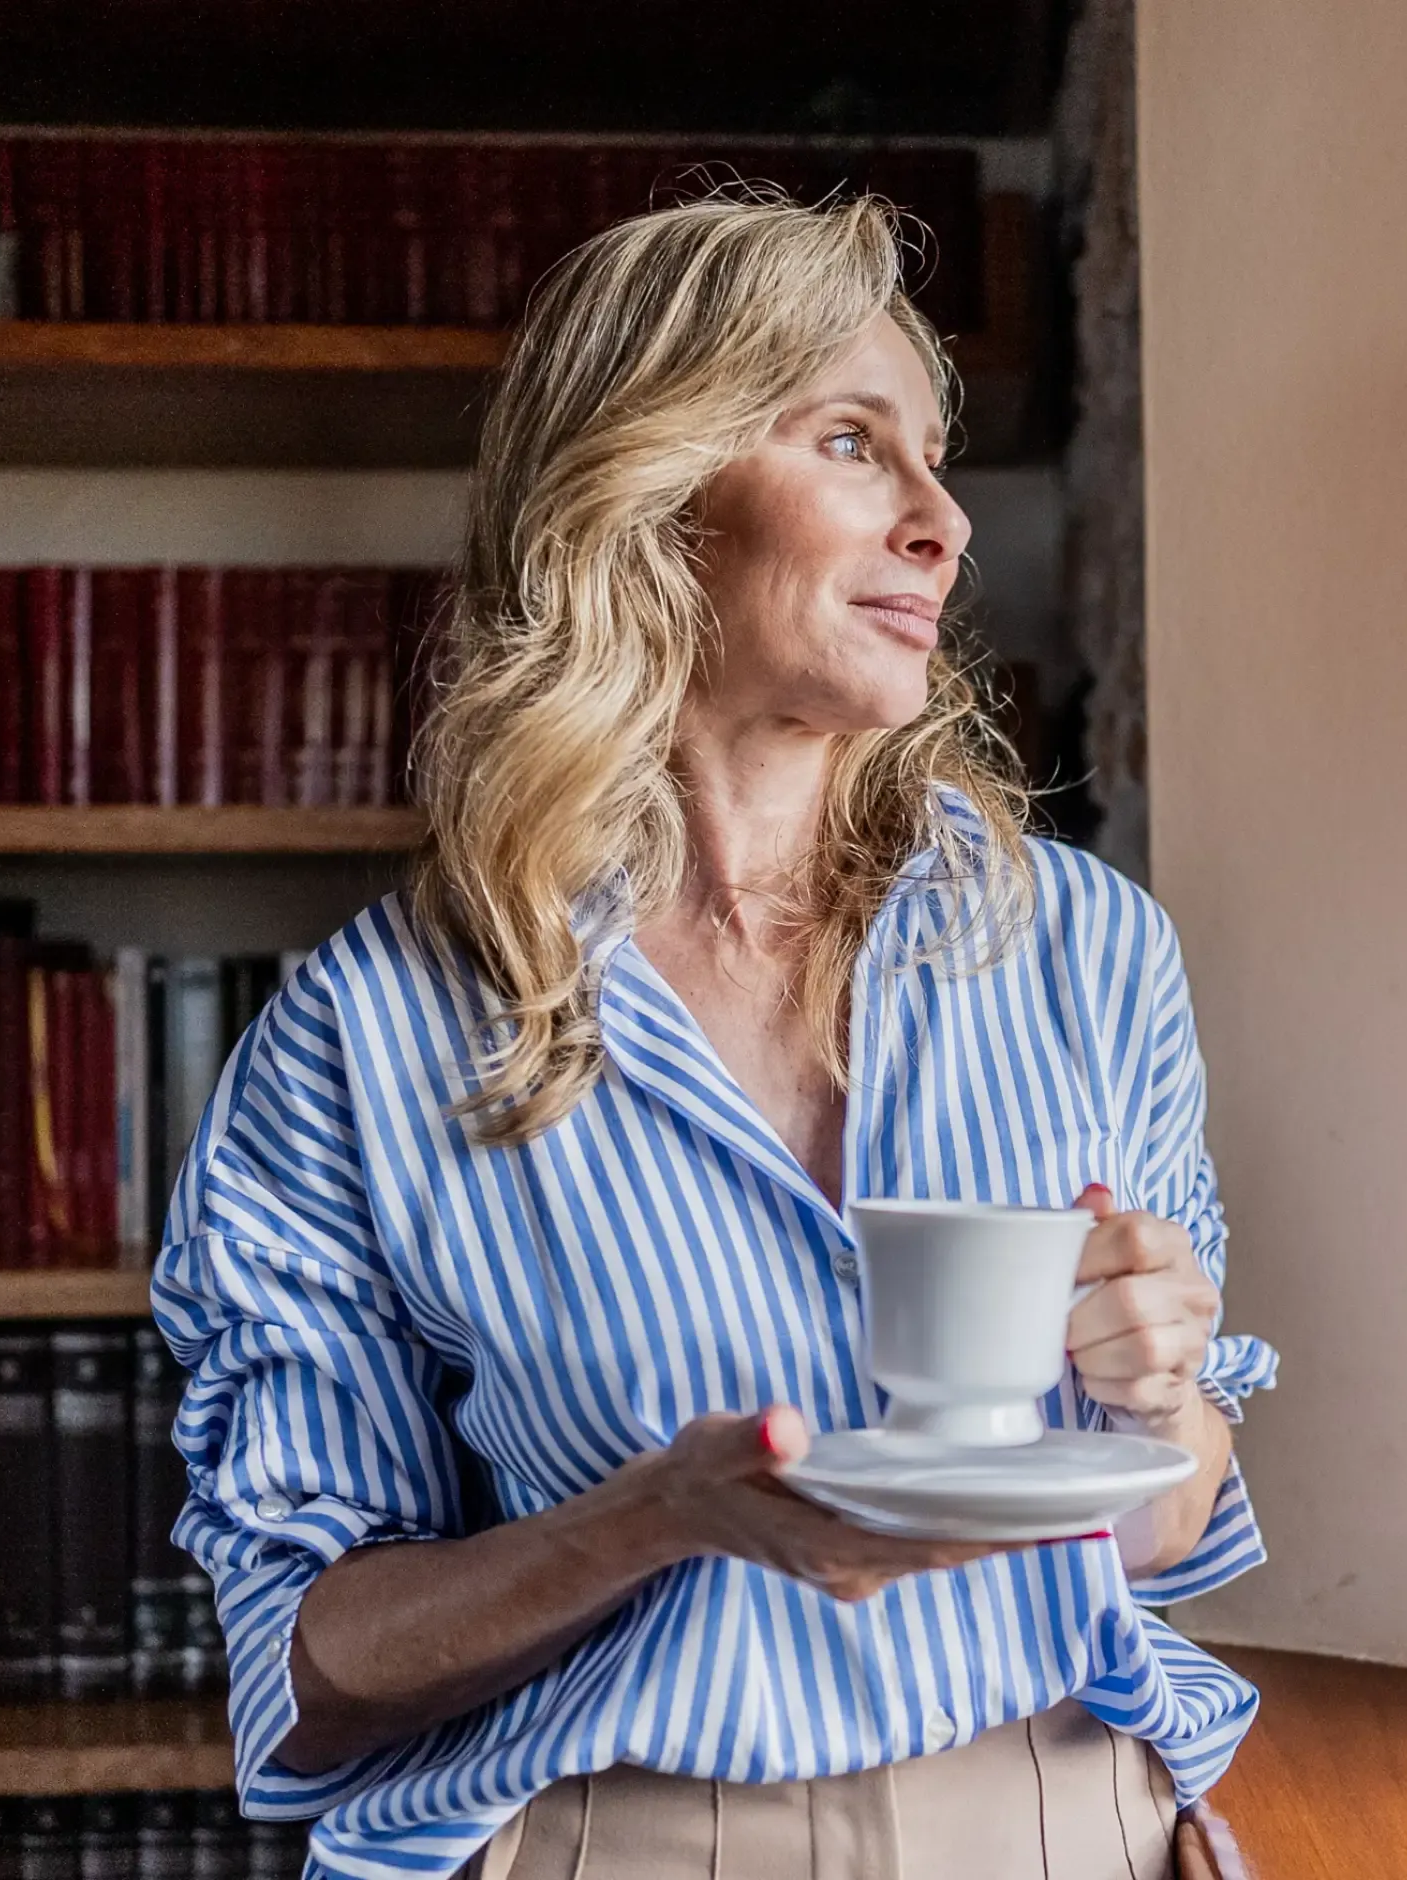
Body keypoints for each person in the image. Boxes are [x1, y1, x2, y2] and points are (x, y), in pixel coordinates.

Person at [153, 189, 1277, 1880]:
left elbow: (1166, 1532)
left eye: (936, 454)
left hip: (1068, 1821)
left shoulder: (1085, 948)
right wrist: (654, 1517)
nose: (943, 522)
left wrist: (1158, 1403)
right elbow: (311, 1677)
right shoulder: (364, 1038)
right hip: (613, 1844)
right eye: (852, 441)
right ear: (653, 495)